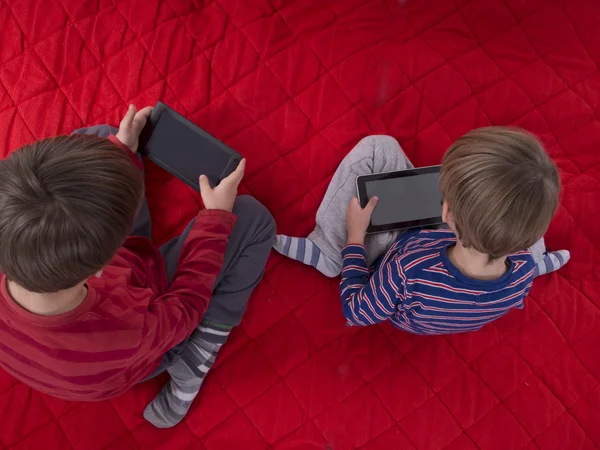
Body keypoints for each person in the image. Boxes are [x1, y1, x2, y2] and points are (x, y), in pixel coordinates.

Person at [0, 105, 275, 428]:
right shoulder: (126, 329)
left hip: (89, 281)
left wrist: (120, 149)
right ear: (104, 264)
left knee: (102, 139)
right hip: (144, 335)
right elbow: (187, 306)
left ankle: (117, 154)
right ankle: (199, 356)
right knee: (253, 218)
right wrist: (215, 220)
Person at [275, 128, 570, 334]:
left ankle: (329, 249)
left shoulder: (407, 269)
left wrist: (354, 239)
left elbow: (357, 311)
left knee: (379, 147)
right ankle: (540, 259)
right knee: (522, 207)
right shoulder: (521, 273)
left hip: (404, 260)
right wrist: (531, 261)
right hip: (476, 255)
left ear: (447, 212)